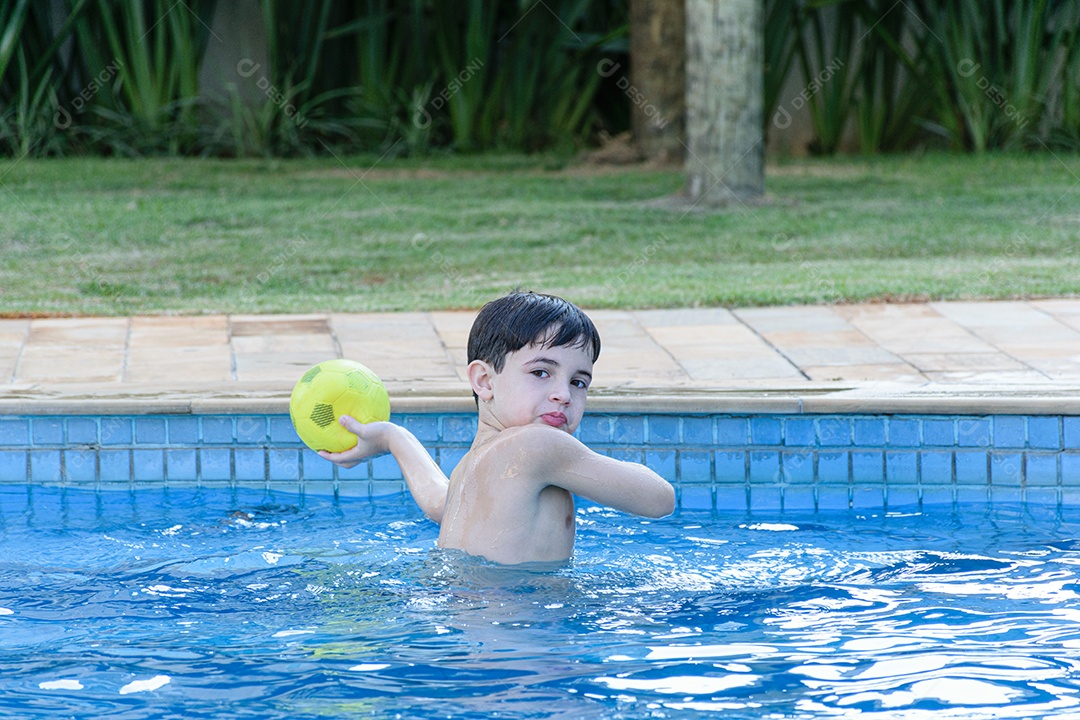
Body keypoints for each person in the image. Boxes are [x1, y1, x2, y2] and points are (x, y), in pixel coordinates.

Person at [320, 291, 676, 564]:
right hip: (520, 626)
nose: (564, 395)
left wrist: (391, 437)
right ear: (484, 381)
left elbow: (440, 504)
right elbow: (659, 499)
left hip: (470, 617)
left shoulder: (473, 466)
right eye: (541, 372)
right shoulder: (538, 446)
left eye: (578, 382)